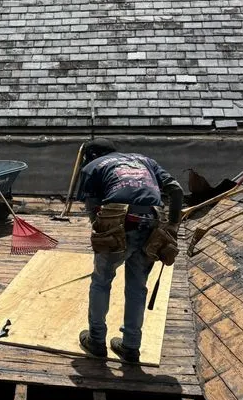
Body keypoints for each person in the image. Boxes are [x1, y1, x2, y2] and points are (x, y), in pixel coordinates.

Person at [76, 138, 183, 363]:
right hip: (152, 222)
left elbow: (93, 209)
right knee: (137, 287)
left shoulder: (93, 167)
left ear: (91, 156)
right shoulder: (145, 160)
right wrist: (173, 226)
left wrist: (104, 236)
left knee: (101, 281)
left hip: (117, 221)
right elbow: (176, 190)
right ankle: (131, 347)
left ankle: (96, 341)